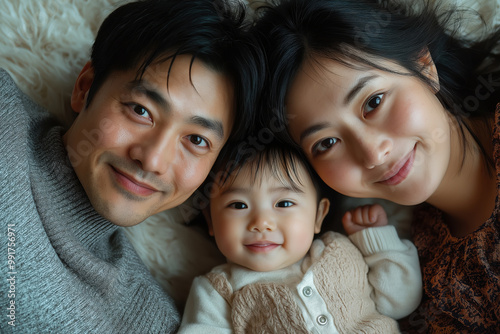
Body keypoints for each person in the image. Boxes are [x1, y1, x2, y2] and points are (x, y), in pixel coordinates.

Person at [0, 0, 263, 332]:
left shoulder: (151, 321)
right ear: (85, 88)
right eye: (141, 111)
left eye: (196, 140)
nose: (152, 160)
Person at [252, 0, 500, 332]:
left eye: (374, 102)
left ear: (424, 66)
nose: (372, 154)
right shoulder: (418, 272)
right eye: (326, 143)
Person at [178, 142, 421, 333]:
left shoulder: (340, 249)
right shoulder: (219, 290)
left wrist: (376, 240)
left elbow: (400, 301)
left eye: (283, 203)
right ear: (211, 220)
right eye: (238, 205)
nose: (261, 222)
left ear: (318, 216)